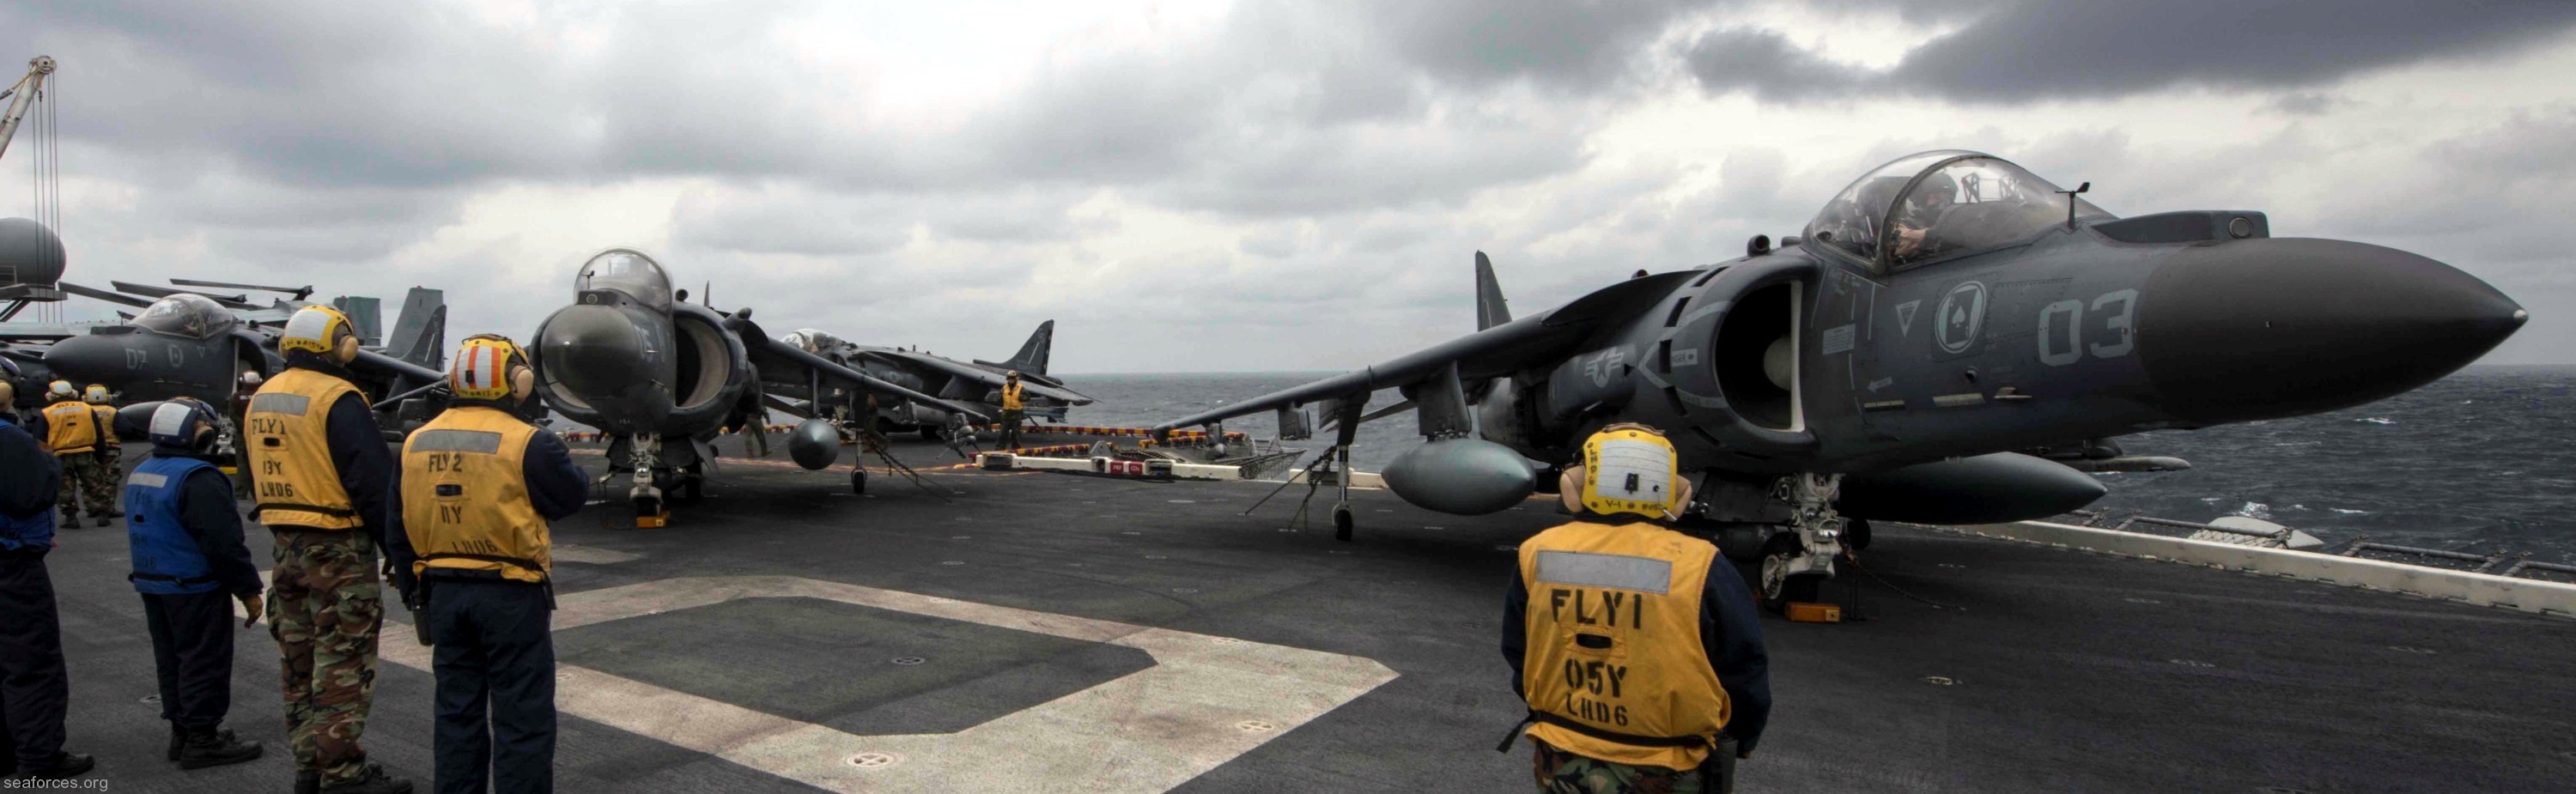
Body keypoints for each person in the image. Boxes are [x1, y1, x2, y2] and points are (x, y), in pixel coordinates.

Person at [1500, 423, 1770, 794]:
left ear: (1579, 482)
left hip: (1562, 754)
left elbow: (1519, 650)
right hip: (1667, 765)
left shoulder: (1538, 551)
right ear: (1674, 492)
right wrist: (1742, 737)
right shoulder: (1701, 563)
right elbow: (1743, 666)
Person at [402, 336, 589, 794]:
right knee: (522, 717)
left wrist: (415, 594)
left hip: (441, 593)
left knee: (455, 712)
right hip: (510, 594)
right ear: (518, 383)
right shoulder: (530, 443)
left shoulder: (415, 442)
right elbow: (571, 497)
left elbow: (396, 522)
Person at [245, 305, 417, 794]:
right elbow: (370, 482)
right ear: (341, 346)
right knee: (343, 662)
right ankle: (343, 774)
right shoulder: (338, 397)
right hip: (337, 549)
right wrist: (398, 555)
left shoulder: (263, 396)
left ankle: (310, 765)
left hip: (284, 548)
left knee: (297, 660)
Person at [123, 398, 266, 770]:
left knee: (171, 661)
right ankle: (203, 739)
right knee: (203, 662)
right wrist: (248, 590)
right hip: (194, 587)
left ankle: (182, 733)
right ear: (200, 433)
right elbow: (223, 544)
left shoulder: (143, 470)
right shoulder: (199, 478)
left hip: (153, 584)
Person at [0, 365, 94, 779]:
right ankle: (39, 757)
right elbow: (32, 494)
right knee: (32, 664)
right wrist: (49, 467)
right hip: (12, 563)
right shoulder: (8, 438)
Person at [34, 380, 115, 528]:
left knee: (65, 488)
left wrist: (44, 461)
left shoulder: (47, 413)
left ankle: (71, 518)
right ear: (73, 393)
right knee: (95, 484)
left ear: (51, 395)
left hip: (61, 455)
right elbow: (99, 434)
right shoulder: (86, 408)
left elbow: (40, 438)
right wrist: (101, 455)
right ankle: (103, 514)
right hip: (86, 452)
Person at [232, 371, 266, 499]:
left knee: (242, 463)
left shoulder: (236, 397)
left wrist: (244, 426)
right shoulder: (262, 396)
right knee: (257, 462)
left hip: (242, 435)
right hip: (258, 433)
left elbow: (233, 414)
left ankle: (240, 492)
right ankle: (257, 492)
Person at [997, 371, 1026, 451]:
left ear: (1016, 379)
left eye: (1012, 378)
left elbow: (1027, 397)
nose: (1011, 380)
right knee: (1002, 434)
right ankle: (1000, 450)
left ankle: (1016, 450)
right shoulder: (1004, 387)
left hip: (1016, 414)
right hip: (1006, 414)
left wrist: (1020, 397)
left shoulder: (1020, 387)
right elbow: (999, 397)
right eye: (1009, 378)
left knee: (1015, 435)